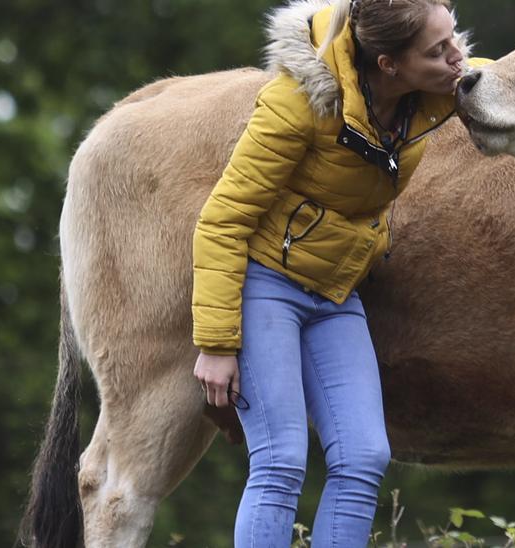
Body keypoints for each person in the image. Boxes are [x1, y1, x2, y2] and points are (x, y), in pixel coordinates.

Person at [190, 0, 488, 545]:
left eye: (453, 37)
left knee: (364, 456)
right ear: (389, 65)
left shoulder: (435, 87)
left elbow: (506, 83)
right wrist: (216, 344)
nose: (457, 56)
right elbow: (222, 219)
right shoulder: (298, 102)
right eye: (438, 49)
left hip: (336, 292)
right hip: (266, 286)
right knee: (280, 462)